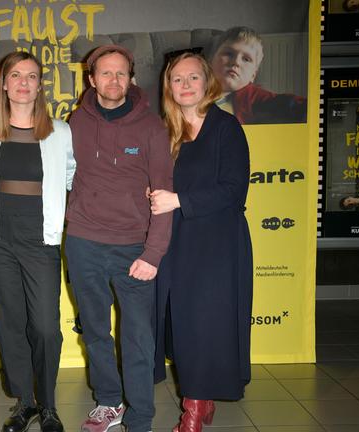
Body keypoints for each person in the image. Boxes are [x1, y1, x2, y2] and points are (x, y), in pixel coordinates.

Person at [65, 44, 174, 432]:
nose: (113, 80)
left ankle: (141, 415)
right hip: (82, 243)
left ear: (131, 78)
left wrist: (154, 253)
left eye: (121, 73)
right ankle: (109, 402)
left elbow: (163, 195)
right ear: (92, 79)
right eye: (105, 73)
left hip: (134, 248)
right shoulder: (74, 122)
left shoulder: (151, 127)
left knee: (138, 337)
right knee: (94, 331)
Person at [150, 52, 253, 432]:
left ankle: (192, 412)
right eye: (178, 79)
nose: (186, 85)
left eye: (193, 77)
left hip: (217, 244)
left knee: (204, 324)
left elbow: (234, 190)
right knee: (181, 325)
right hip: (175, 241)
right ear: (169, 87)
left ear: (206, 81)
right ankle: (202, 396)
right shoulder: (165, 131)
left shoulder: (226, 128)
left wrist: (178, 200)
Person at [0, 51, 75, 432]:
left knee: (46, 326)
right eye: (15, 75)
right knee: (10, 320)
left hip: (40, 237)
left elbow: (71, 177)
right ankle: (26, 403)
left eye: (31, 76)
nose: (23, 83)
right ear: (3, 82)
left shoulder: (60, 131)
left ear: (39, 85)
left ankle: (48, 404)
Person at [210, 26, 306, 125]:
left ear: (253, 76)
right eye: (229, 54)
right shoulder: (198, 87)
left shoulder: (252, 96)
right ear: (211, 61)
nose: (236, 62)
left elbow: (286, 103)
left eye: (246, 59)